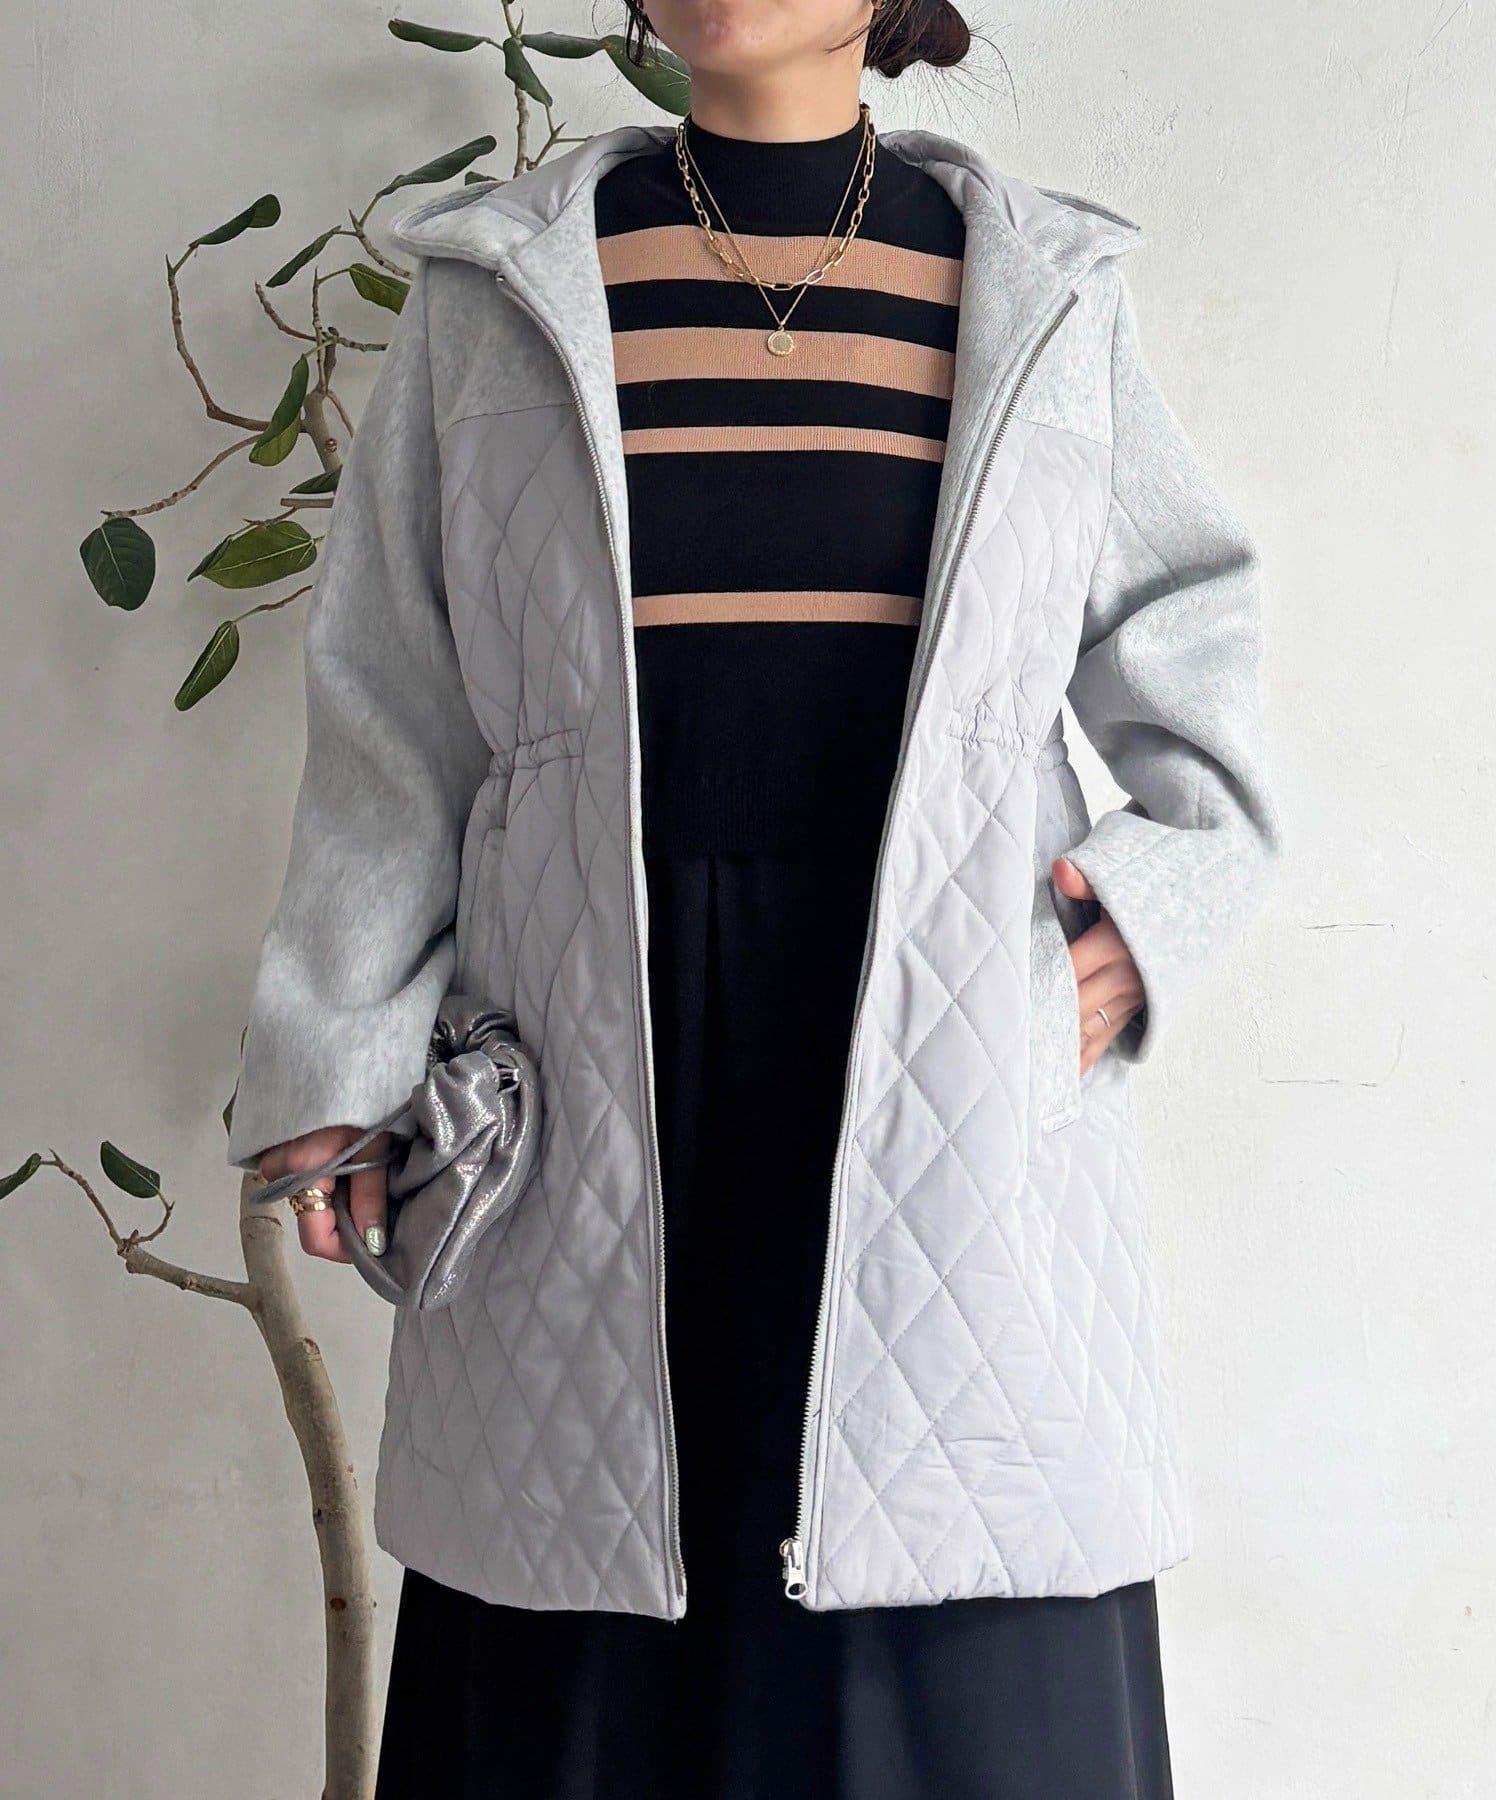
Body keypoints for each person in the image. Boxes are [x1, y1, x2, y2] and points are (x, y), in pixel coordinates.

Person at [232, 0, 1280, 1792]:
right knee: (584, 1639)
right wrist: (333, 1059)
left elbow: (1200, 652)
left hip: (945, 1057)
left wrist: (1145, 914)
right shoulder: (501, 288)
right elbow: (395, 714)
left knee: (965, 1660)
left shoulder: (1042, 290)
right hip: (585, 1059)